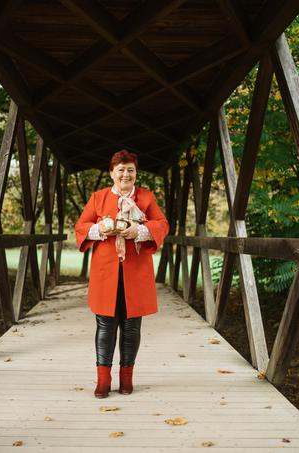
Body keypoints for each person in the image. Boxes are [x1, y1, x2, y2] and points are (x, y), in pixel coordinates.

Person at [75, 150, 169, 398]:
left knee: (131, 326)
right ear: (112, 173)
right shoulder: (98, 197)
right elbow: (81, 226)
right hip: (106, 271)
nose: (126, 174)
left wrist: (139, 230)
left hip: (136, 272)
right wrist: (101, 228)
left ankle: (127, 379)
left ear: (135, 173)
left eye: (130, 170)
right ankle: (103, 380)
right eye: (121, 170)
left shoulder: (146, 197)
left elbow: (162, 224)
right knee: (105, 325)